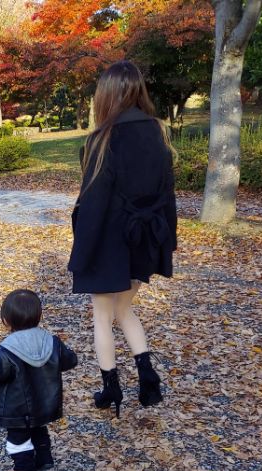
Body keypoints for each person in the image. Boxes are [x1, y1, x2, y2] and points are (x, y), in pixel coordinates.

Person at [68, 60, 176, 418]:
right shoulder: (159, 132)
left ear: (107, 95)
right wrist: (166, 243)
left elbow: (93, 202)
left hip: (111, 242)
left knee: (103, 315)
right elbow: (167, 195)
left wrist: (81, 254)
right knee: (123, 308)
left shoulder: (103, 138)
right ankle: (148, 379)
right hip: (145, 240)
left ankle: (111, 389)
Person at [0, 289, 78, 471]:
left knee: (17, 441)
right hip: (44, 403)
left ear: (6, 320)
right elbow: (70, 360)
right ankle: (44, 458)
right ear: (39, 316)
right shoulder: (50, 341)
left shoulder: (8, 349)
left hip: (17, 407)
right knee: (37, 427)